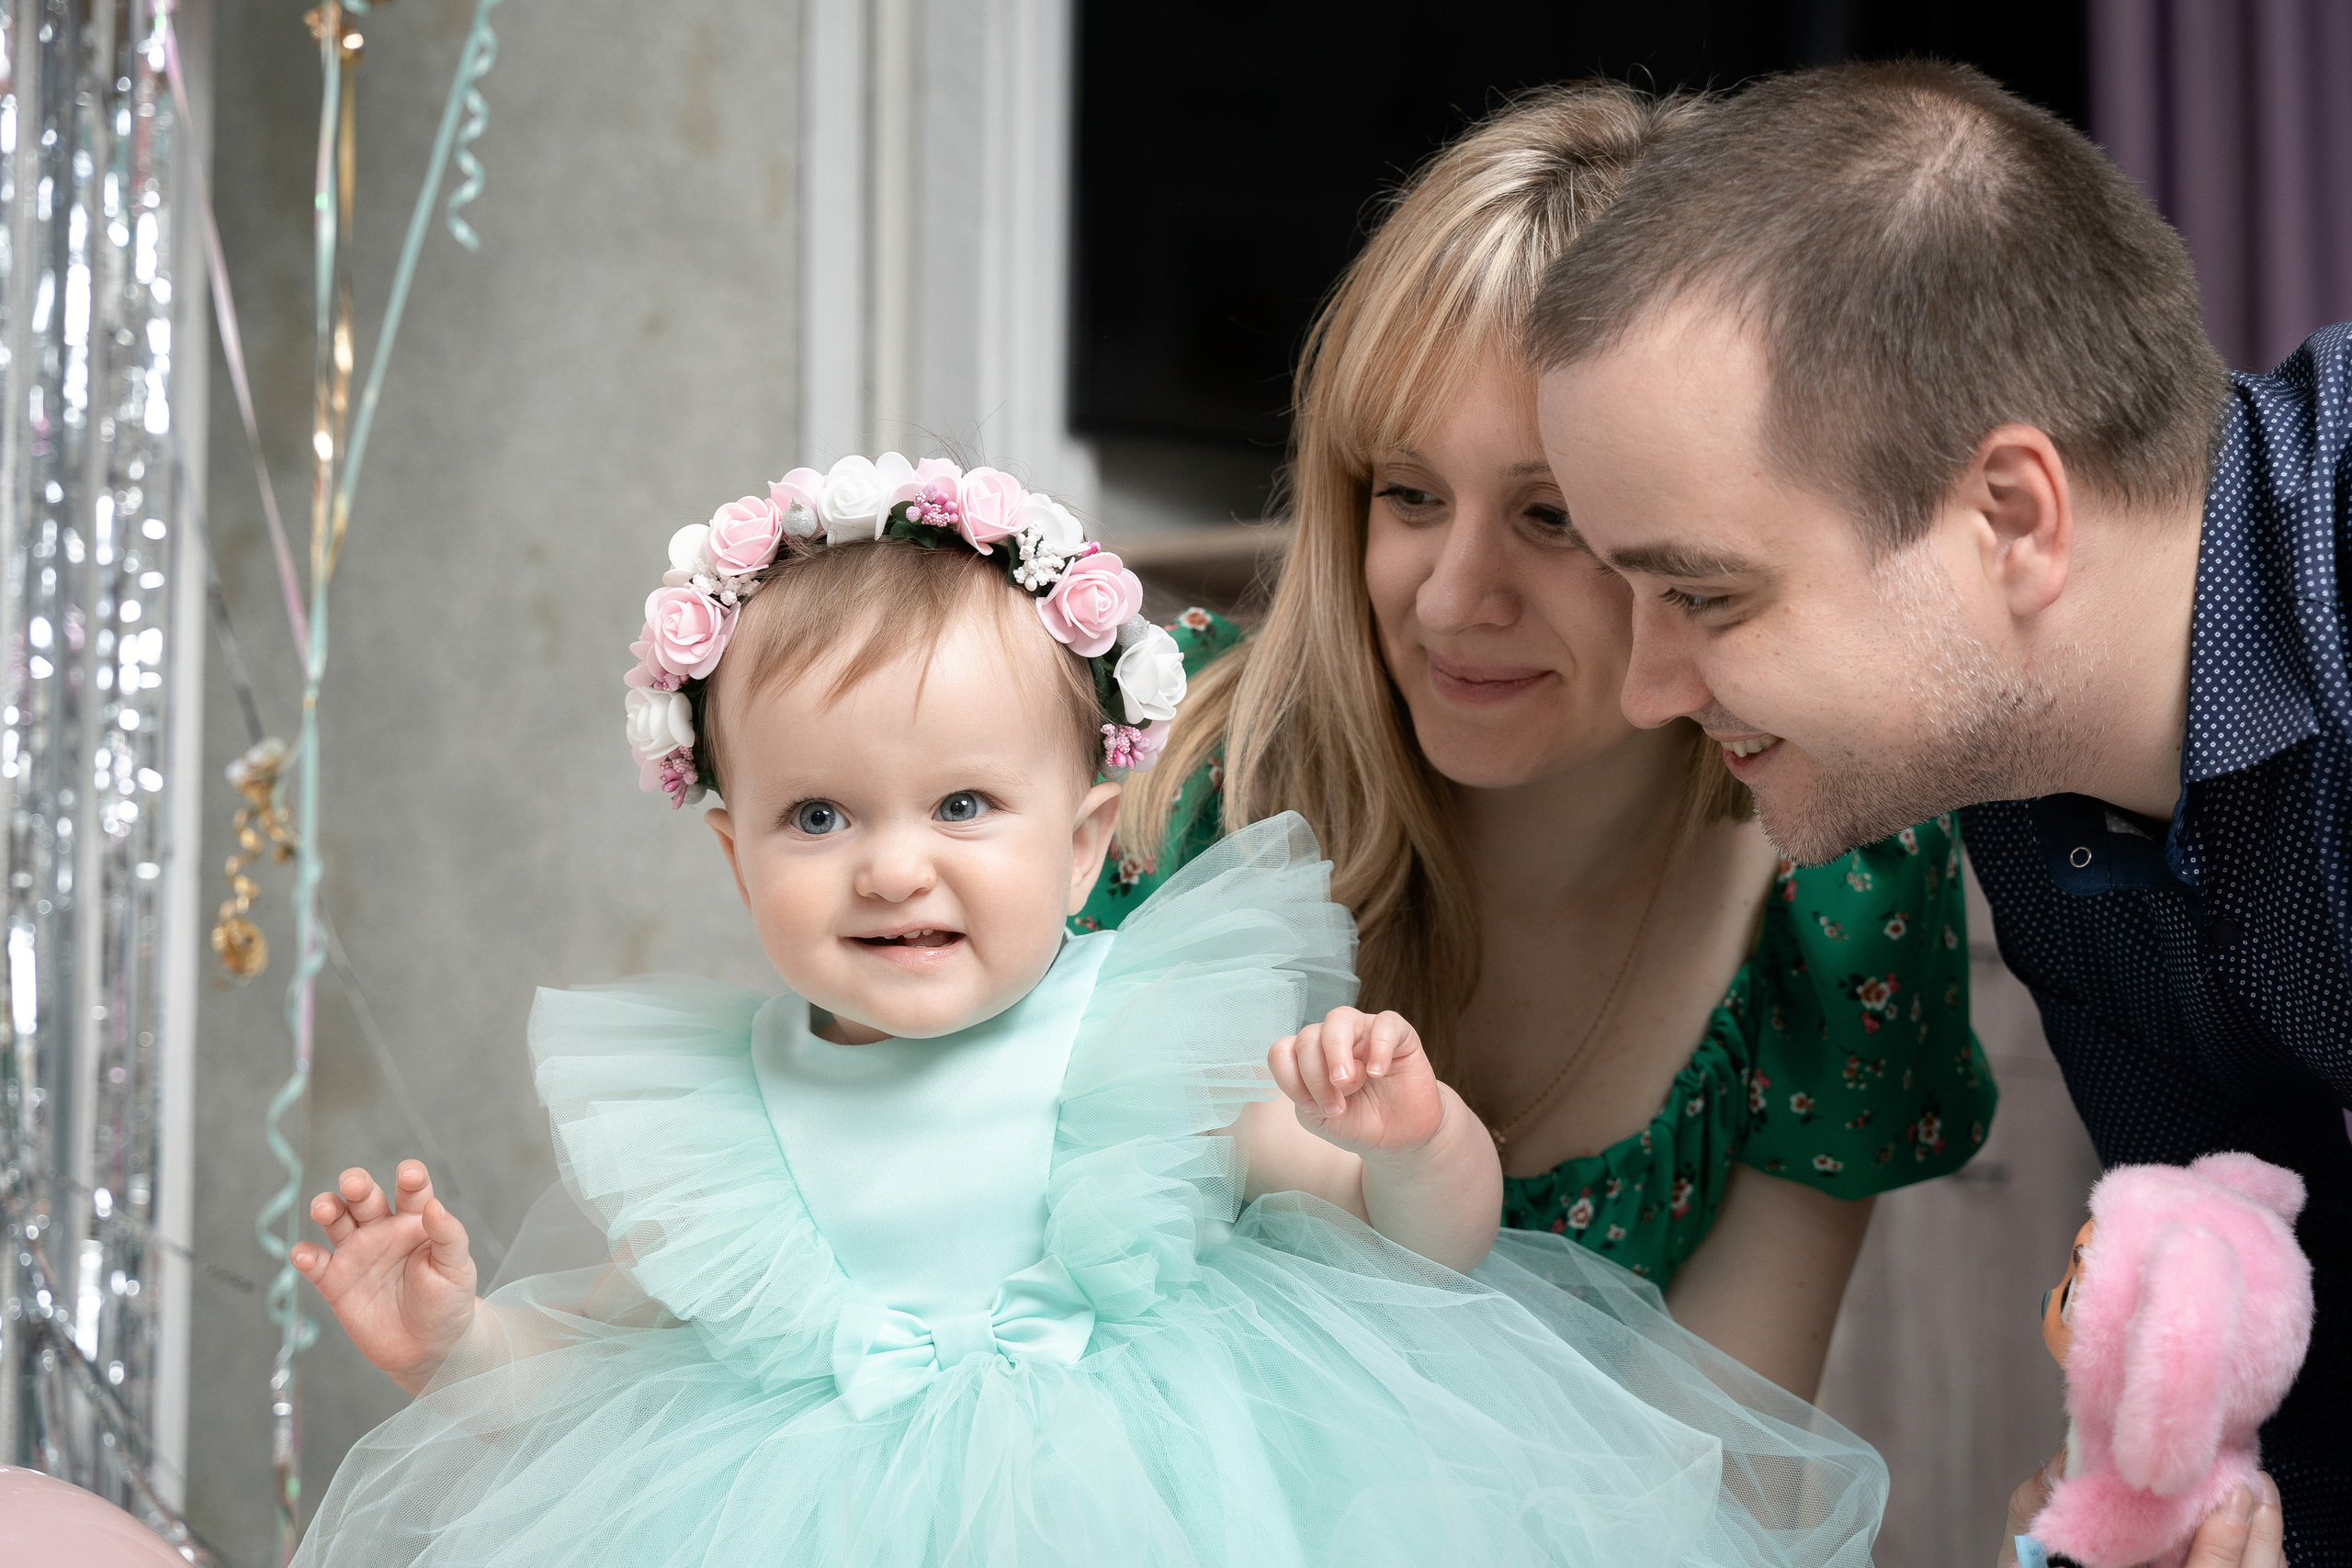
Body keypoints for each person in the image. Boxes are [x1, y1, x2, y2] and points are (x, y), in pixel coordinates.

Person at [281, 457, 1887, 1566]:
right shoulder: (732, 1113)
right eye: (819, 820)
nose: (891, 871)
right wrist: (457, 1339)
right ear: (731, 846)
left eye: (965, 805)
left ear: (1087, 840)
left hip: (1157, 1511)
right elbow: (613, 1369)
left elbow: (1420, 1245)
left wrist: (1407, 1135)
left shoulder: (1136, 1037)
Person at [1524, 58, 2332, 1568]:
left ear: (2012, 516)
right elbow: (2278, 1332)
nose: (1644, 689)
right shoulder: (2031, 794)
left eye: (1703, 593)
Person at [1084, 81, 1996, 1400]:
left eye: (1551, 516)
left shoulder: (1842, 870)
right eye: (1407, 493)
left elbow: (1742, 1472)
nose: (1454, 597)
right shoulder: (1185, 774)